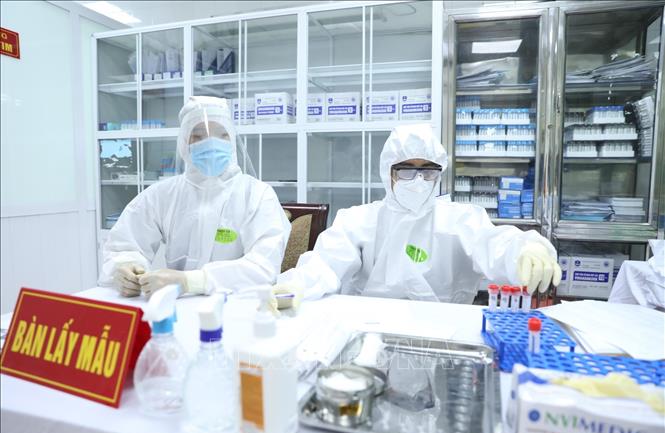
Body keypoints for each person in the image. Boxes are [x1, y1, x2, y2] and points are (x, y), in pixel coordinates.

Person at [275, 123, 561, 305]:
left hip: (442, 337)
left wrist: (525, 249)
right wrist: (297, 285)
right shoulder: (359, 220)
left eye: (428, 170)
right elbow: (326, 264)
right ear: (388, 172)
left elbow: (495, 244)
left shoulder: (459, 220)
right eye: (406, 169)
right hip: (369, 334)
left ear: (439, 172)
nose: (418, 180)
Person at [99, 96, 291, 297]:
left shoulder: (257, 195)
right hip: (176, 306)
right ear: (184, 144)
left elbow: (263, 267)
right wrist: (125, 268)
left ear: (232, 141)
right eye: (198, 136)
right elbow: (125, 243)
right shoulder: (163, 195)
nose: (211, 144)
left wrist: (191, 281)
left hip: (240, 303)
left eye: (222, 135)